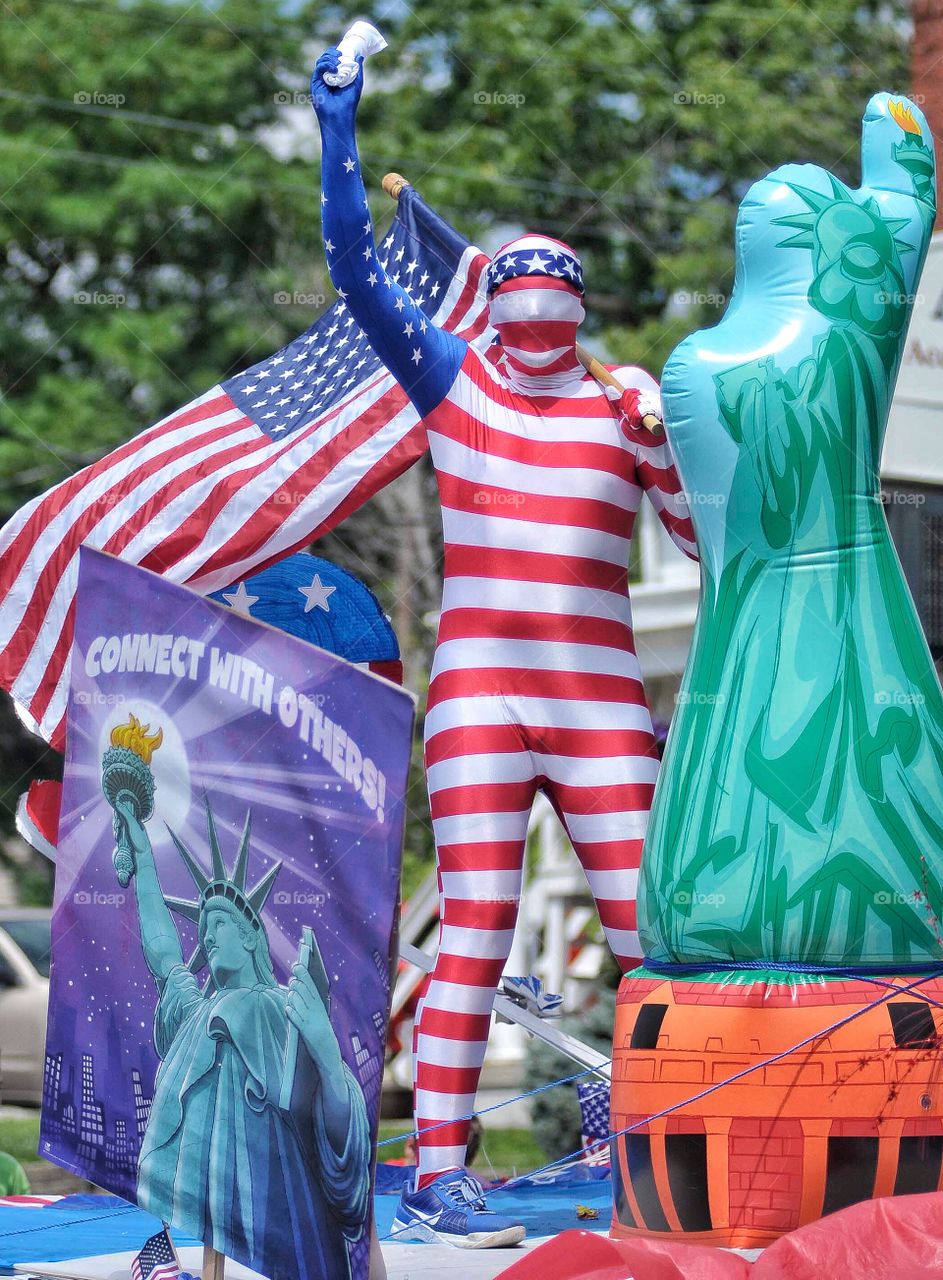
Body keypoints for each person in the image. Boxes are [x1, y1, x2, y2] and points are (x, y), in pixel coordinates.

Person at [311, 45, 699, 1249]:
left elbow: (700, 536)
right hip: (484, 686)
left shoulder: (616, 407)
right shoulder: (454, 380)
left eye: (554, 291)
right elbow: (358, 270)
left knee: (649, 932)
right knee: (475, 919)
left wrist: (663, 428)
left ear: (577, 305)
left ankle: (656, 1144)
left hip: (598, 699)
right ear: (496, 305)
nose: (533, 305)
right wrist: (338, 137)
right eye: (517, 289)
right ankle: (440, 1166)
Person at [113, 795, 370, 1280]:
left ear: (252, 935)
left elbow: (330, 1123)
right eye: (204, 928)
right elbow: (165, 954)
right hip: (214, 1212)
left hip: (282, 1215)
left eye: (220, 924)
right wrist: (144, 859)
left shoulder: (280, 1006)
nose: (207, 936)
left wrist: (324, 1049)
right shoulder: (196, 1014)